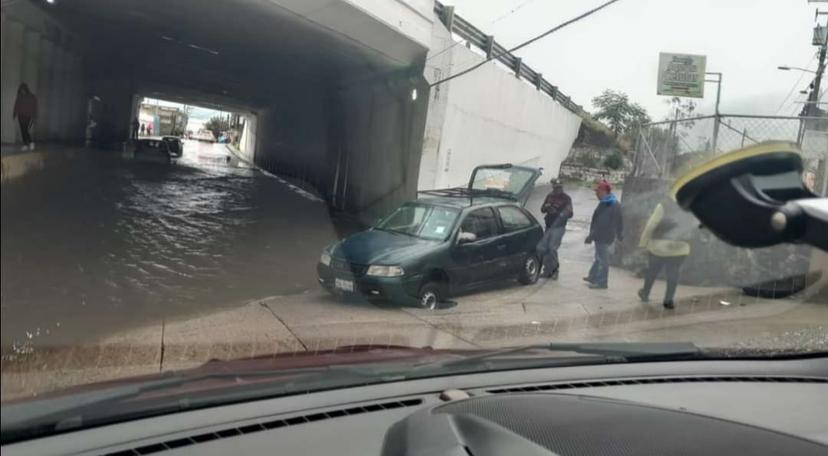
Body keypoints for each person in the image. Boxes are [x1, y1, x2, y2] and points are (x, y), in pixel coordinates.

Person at [637, 197, 694, 309]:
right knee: (673, 273)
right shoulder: (690, 206)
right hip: (681, 247)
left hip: (660, 246)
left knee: (652, 271)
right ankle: (668, 300)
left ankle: (645, 293)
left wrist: (643, 243)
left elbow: (651, 225)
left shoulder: (663, 205)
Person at [584, 180, 623, 289]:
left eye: (598, 191)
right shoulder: (605, 203)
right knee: (599, 257)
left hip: (604, 236)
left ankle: (602, 282)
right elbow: (596, 221)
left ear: (604, 191)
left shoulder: (612, 204)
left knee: (603, 260)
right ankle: (593, 276)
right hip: (601, 235)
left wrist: (591, 236)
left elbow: (603, 223)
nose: (596, 194)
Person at [536, 179, 573, 280]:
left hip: (559, 227)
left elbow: (570, 214)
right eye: (556, 187)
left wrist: (558, 213)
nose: (557, 189)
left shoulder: (566, 199)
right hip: (549, 226)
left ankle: (555, 270)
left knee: (552, 248)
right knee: (543, 248)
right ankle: (547, 270)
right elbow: (542, 209)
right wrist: (547, 207)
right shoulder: (549, 196)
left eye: (559, 187)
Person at [13, 83, 38, 151]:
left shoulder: (32, 96)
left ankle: (31, 142)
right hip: (20, 116)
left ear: (26, 89)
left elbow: (35, 107)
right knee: (22, 130)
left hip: (28, 116)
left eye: (23, 89)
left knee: (25, 130)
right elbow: (16, 105)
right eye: (21, 90)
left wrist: (34, 116)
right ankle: (25, 145)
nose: (22, 91)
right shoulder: (19, 96)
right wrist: (14, 114)